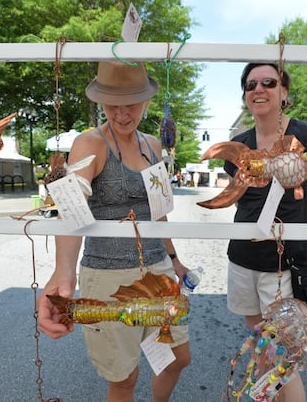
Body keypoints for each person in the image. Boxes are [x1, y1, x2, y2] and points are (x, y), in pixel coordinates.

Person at [36, 61, 191, 402]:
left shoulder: (153, 145)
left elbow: (159, 211)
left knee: (178, 358)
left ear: (147, 101)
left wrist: (174, 258)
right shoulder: (90, 143)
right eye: (112, 105)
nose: (121, 114)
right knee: (124, 377)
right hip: (108, 275)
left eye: (131, 104)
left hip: (158, 271)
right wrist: (63, 272)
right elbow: (72, 205)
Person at [224, 63, 307, 402]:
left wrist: (300, 239)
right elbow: (240, 203)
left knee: (283, 357)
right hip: (243, 260)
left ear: (284, 92)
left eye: (268, 83)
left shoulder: (306, 137)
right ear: (245, 95)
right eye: (250, 85)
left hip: (285, 267)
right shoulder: (238, 146)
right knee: (261, 348)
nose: (258, 89)